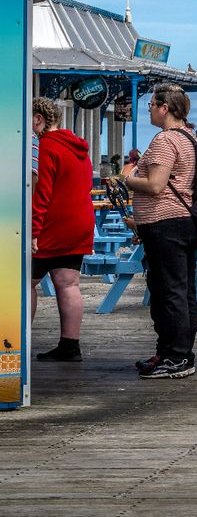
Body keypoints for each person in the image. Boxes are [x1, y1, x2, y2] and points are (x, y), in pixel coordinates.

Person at [122, 84, 197, 379]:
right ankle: (173, 352)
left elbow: (156, 185)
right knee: (181, 289)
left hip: (166, 223)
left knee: (169, 291)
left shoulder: (166, 139)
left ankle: (177, 356)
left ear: (164, 108)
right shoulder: (189, 136)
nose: (149, 111)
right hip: (183, 222)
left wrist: (128, 179)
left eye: (151, 105)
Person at [29, 96, 92, 363]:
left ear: (39, 119)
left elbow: (42, 193)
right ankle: (70, 346)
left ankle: (17, 341)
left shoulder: (47, 146)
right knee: (68, 284)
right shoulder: (78, 147)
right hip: (80, 222)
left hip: (53, 225)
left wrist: (33, 231)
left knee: (25, 283)